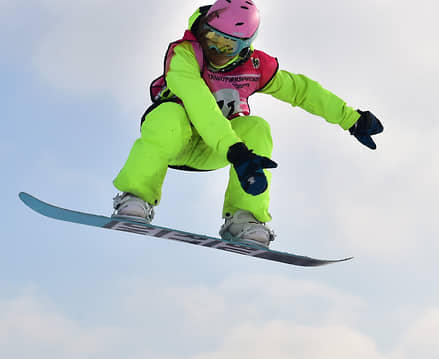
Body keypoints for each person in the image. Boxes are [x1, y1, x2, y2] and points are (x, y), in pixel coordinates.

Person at [112, 0, 383, 247]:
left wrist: (351, 119)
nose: (215, 49)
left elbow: (301, 91)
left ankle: (244, 219)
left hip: (216, 149)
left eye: (227, 45)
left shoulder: (254, 66)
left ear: (244, 47)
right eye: (210, 38)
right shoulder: (184, 55)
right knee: (169, 115)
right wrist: (235, 150)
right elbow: (200, 105)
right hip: (175, 141)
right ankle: (135, 197)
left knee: (257, 127)